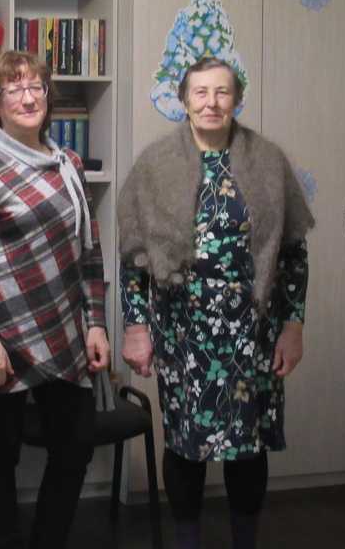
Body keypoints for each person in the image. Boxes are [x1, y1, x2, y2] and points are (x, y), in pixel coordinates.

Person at [118, 57, 314, 549]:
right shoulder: (155, 166)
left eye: (222, 92)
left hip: (252, 335)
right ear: (184, 100)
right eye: (201, 92)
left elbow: (293, 254)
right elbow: (133, 258)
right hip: (183, 335)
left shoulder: (267, 161)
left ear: (236, 99)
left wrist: (293, 325)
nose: (211, 102)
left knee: (248, 449)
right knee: (185, 447)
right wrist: (136, 327)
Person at [0, 50, 110, 549]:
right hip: (1, 335)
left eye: (35, 86)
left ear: (47, 96)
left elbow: (89, 250)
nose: (27, 97)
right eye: (13, 88)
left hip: (63, 329)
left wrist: (96, 322)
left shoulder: (69, 164)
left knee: (75, 447)